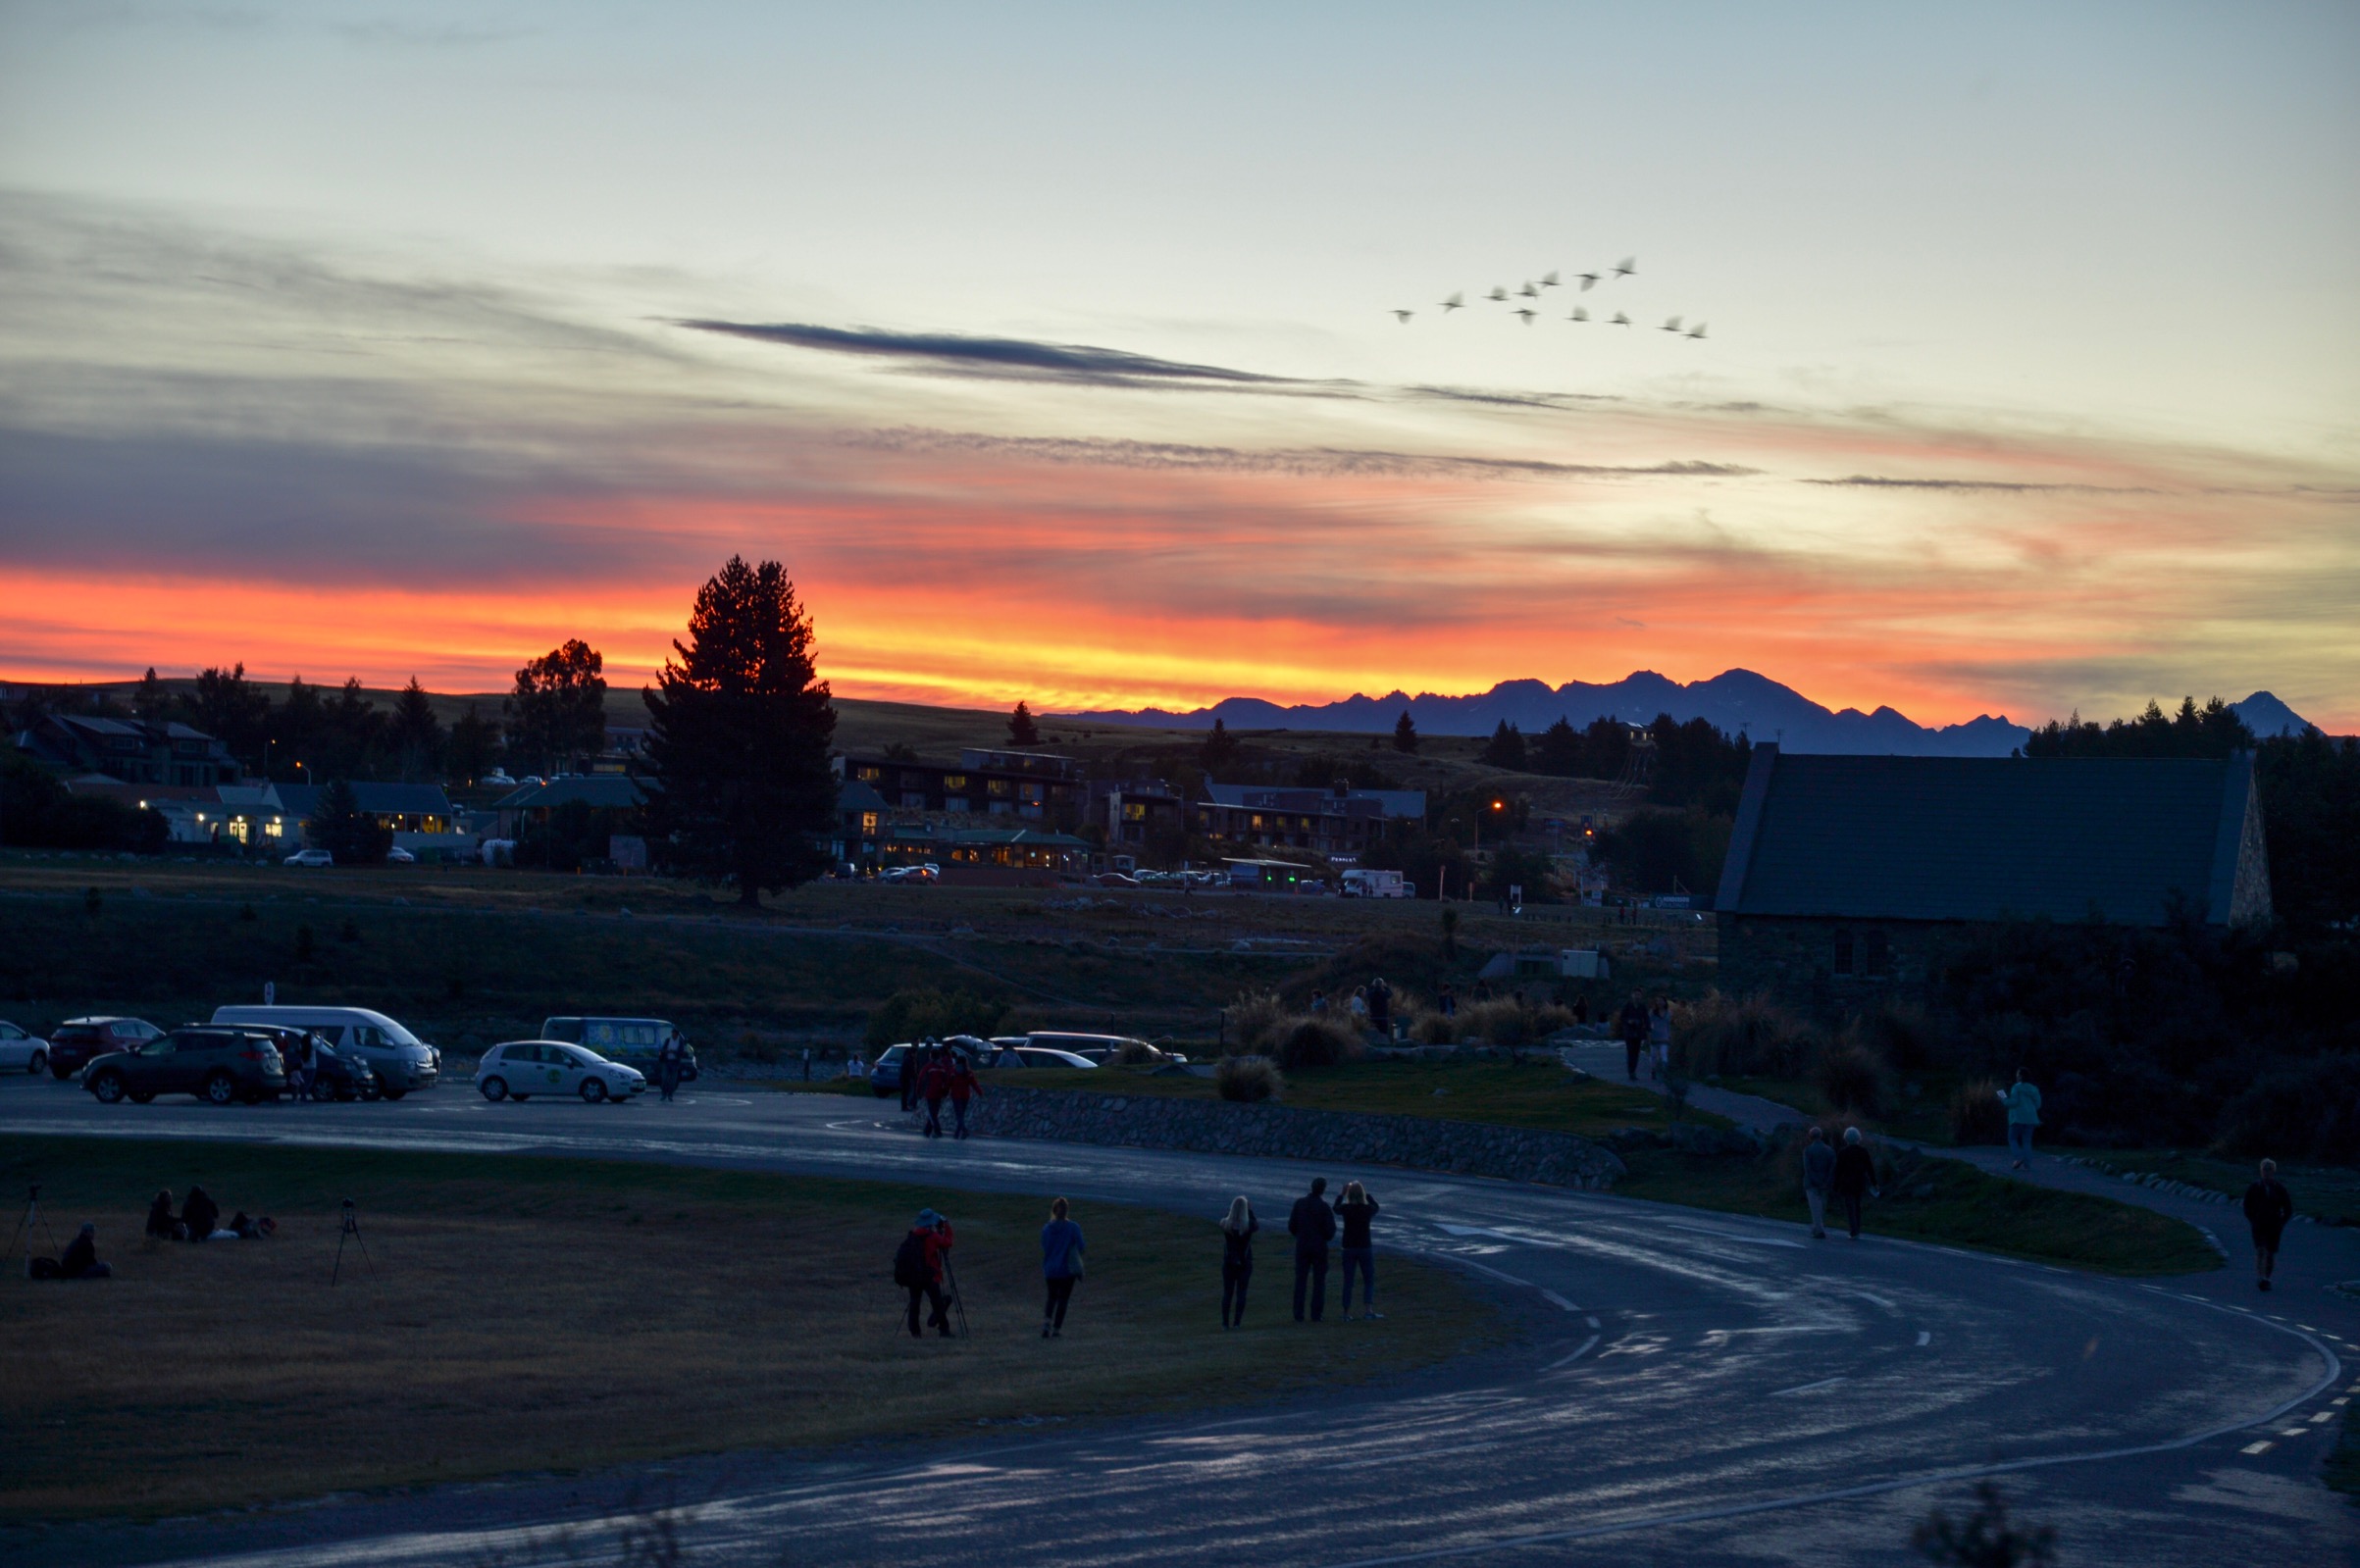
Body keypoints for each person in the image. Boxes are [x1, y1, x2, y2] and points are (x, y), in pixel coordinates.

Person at [896, 1209, 957, 1338]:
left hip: (914, 1275)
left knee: (914, 1304)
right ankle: (944, 1330)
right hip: (929, 1275)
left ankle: (915, 1332)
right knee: (937, 1303)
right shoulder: (932, 1236)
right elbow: (948, 1242)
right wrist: (946, 1225)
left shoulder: (913, 1234)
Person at [1288, 1177, 1336, 1323]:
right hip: (1319, 1247)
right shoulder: (1324, 1207)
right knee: (1319, 1282)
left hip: (1302, 1246)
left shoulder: (1299, 1204)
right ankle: (1316, 1314)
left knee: (1300, 1280)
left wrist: (1301, 1235)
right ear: (1323, 1190)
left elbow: (1292, 1226)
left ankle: (1298, 1314)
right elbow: (1330, 1231)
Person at [2243, 1159, 2295, 1292]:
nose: (2266, 1172)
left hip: (2274, 1225)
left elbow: (2288, 1208)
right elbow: (2247, 1206)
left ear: (2273, 1171)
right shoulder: (2254, 1187)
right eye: (2264, 1169)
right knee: (2260, 1249)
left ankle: (2267, 1277)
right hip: (2259, 1223)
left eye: (2269, 1169)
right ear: (2261, 1171)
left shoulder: (2279, 1188)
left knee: (2271, 1252)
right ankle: (2261, 1277)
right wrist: (2253, 1219)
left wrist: (2281, 1222)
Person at [1335, 1181, 1383, 1321]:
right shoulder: (1367, 1210)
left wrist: (1341, 1195)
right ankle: (1368, 1310)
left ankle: (1346, 1313)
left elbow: (1335, 1208)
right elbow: (1376, 1207)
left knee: (1348, 1281)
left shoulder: (1346, 1209)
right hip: (1364, 1246)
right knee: (1368, 1279)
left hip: (1348, 1247)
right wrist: (1367, 1196)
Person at [1040, 1196, 1085, 1338]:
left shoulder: (1047, 1229)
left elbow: (1044, 1246)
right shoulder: (1073, 1227)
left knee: (1051, 1297)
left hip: (1050, 1269)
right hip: (1066, 1270)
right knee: (1063, 1299)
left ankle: (1046, 1325)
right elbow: (1082, 1246)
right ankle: (1056, 1329)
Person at [1830, 1127, 1879, 1240]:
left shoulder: (1843, 1152)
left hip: (1847, 1182)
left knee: (1850, 1206)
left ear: (1846, 1138)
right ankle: (1857, 1227)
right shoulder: (1863, 1152)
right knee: (1857, 1206)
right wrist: (1874, 1182)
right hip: (1859, 1182)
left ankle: (1854, 1229)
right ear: (1858, 1138)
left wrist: (1835, 1185)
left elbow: (1838, 1170)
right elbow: (1869, 1168)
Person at [1220, 1196, 1258, 1329]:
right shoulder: (1248, 1226)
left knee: (1227, 1293)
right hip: (1244, 1262)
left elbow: (1226, 1218)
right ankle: (1237, 1323)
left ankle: (1225, 1323)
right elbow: (1255, 1224)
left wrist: (1231, 1211)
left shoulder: (1226, 1224)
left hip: (1229, 1262)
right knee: (1241, 1293)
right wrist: (1249, 1211)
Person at [1999, 1070, 2041, 1170]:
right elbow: (2038, 1104)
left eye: (2017, 1074)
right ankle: (2027, 1163)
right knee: (2027, 1141)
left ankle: (2018, 1158)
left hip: (2017, 1118)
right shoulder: (2034, 1089)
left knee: (2012, 1138)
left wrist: (2003, 1099)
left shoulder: (2017, 1088)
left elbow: (2013, 1102)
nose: (2016, 1076)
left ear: (2021, 1076)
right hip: (2031, 1119)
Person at [1801, 1126, 1835, 1239]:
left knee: (1814, 1207)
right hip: (1825, 1183)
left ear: (1810, 1137)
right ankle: (1817, 1228)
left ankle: (1819, 1230)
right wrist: (1827, 1181)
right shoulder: (1830, 1150)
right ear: (1821, 1136)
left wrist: (1815, 1181)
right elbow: (1832, 1168)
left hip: (1812, 1183)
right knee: (1821, 1208)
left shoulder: (1808, 1150)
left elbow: (1808, 1169)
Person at [1617, 991, 1649, 1083]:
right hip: (1629, 1032)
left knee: (1636, 1052)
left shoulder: (1642, 1006)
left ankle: (1633, 1070)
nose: (1637, 996)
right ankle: (1631, 1071)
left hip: (1638, 1032)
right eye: (1635, 994)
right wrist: (1628, 1021)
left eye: (1639, 995)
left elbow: (1646, 1018)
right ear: (1632, 995)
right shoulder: (1628, 1005)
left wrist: (1648, 1029)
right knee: (1631, 1051)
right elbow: (1622, 1017)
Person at [919, 1048, 951, 1138]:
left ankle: (937, 1131)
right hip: (939, 1093)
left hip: (930, 1093)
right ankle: (927, 1131)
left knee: (932, 1113)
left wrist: (919, 1091)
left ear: (931, 1056)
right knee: (934, 1113)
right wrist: (946, 1091)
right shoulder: (942, 1068)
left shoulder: (928, 1067)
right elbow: (947, 1081)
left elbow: (920, 1079)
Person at [948, 1052, 981, 1139]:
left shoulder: (954, 1071)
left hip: (956, 1095)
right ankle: (958, 1133)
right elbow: (974, 1084)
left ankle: (963, 1130)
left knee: (959, 1115)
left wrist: (944, 1090)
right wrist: (980, 1092)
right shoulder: (968, 1072)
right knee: (961, 1114)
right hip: (965, 1095)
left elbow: (949, 1083)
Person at [654, 1030, 686, 1103]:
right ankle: (664, 1094)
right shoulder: (668, 1040)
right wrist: (666, 1051)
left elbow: (681, 1052)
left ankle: (670, 1094)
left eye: (674, 1034)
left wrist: (674, 1052)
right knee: (664, 1078)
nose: (673, 1035)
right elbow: (663, 1049)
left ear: (677, 1035)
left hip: (675, 1062)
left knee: (673, 1080)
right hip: (666, 1061)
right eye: (672, 1034)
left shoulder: (680, 1042)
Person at [1647, 997, 1672, 1083]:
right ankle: (1653, 1070)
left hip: (1664, 1037)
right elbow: (1649, 1025)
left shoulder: (1668, 1013)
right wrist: (1649, 1036)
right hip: (1655, 1036)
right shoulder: (1652, 1013)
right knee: (1653, 1056)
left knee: (1663, 1055)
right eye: (1658, 1001)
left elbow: (1669, 1025)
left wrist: (1669, 1036)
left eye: (1662, 1001)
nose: (1660, 1003)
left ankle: (1665, 1071)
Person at [897, 1044, 920, 1113]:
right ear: (913, 1053)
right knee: (905, 1093)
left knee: (905, 1093)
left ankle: (905, 1106)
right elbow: (910, 1070)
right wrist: (914, 1076)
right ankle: (904, 1106)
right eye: (916, 1053)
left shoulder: (908, 1059)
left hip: (905, 1078)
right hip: (905, 1078)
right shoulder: (909, 1060)